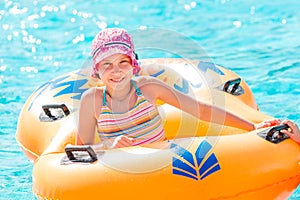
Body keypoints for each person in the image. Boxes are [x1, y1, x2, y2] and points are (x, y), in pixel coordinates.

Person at [76, 28, 283, 149]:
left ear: (133, 65)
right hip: (117, 172)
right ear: (97, 70)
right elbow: (81, 151)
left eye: (123, 62)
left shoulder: (148, 88)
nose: (117, 71)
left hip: (162, 164)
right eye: (107, 65)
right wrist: (109, 146)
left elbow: (202, 110)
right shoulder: (91, 100)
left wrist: (252, 128)